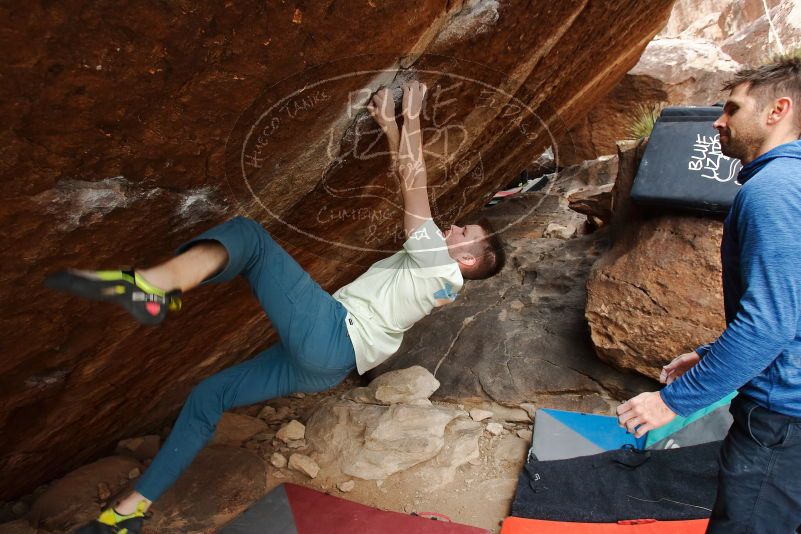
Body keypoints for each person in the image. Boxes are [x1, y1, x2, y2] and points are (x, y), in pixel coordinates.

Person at [46, 81, 506, 533]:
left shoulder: (436, 264)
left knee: (249, 237)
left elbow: (413, 182)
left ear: (467, 259)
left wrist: (410, 117)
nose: (450, 228)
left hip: (332, 334)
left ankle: (153, 287)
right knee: (210, 396)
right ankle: (127, 513)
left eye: (460, 233)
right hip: (326, 367)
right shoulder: (443, 280)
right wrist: (387, 123)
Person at [616, 55, 801, 532]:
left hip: (782, 419)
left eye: (732, 109)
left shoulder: (773, 191)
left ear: (777, 111)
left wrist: (673, 402)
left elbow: (770, 323)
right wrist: (708, 354)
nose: (719, 121)